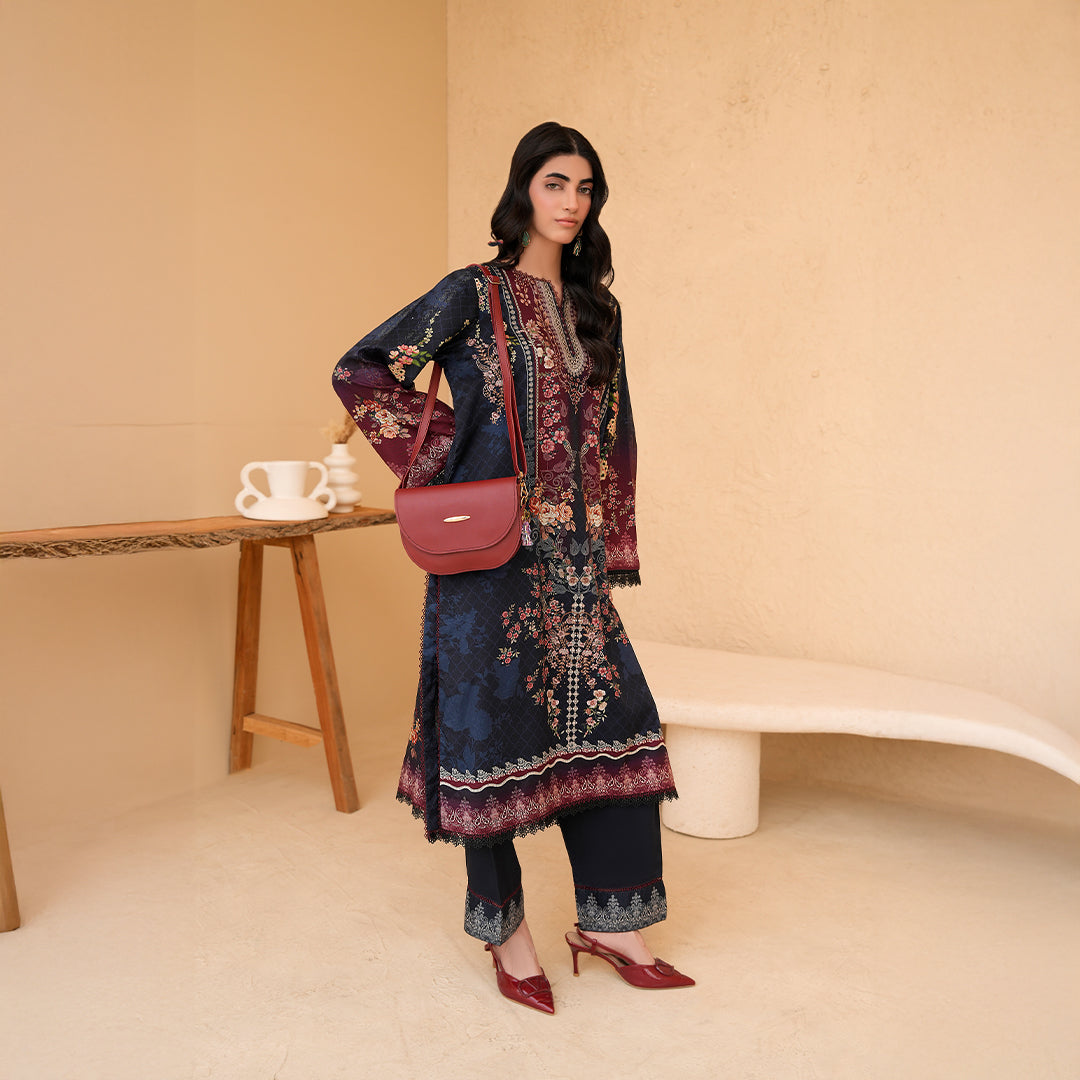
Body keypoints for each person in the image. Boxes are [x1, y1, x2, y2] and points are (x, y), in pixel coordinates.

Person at [333, 122, 693, 1013]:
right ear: (523, 190)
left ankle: (613, 924)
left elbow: (617, 436)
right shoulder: (473, 292)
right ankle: (508, 934)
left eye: (586, 188)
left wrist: (607, 545)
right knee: (484, 734)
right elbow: (364, 370)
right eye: (555, 183)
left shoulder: (596, 309)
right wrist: (453, 461)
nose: (572, 202)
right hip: (487, 552)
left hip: (571, 559)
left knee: (613, 723)